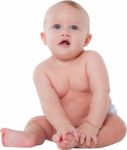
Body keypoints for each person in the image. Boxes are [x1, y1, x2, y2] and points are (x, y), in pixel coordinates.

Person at [1, 0, 126, 149]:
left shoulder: (91, 59)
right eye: (56, 26)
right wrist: (62, 126)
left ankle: (82, 141)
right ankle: (31, 137)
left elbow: (102, 93)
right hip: (58, 125)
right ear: (44, 37)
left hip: (97, 121)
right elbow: (49, 104)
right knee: (37, 122)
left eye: (74, 27)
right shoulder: (42, 71)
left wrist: (91, 125)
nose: (64, 32)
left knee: (118, 126)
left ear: (86, 39)